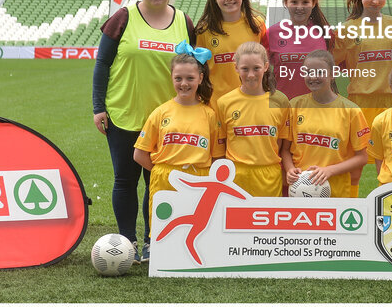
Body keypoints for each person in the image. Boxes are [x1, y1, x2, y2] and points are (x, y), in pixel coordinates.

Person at [92, 0, 195, 262]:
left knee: (157, 181)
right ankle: (127, 243)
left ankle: (154, 241)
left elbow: (194, 70)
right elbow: (102, 65)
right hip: (124, 113)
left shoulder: (184, 23)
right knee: (124, 180)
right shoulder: (123, 17)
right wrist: (99, 107)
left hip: (167, 120)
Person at [133, 47, 223, 259]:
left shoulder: (209, 114)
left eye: (190, 78)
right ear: (171, 78)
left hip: (199, 179)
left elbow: (217, 156)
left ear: (200, 78)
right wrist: (162, 172)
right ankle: (162, 256)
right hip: (165, 178)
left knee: (197, 227)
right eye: (179, 78)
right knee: (166, 225)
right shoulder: (161, 112)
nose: (184, 83)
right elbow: (139, 154)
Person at [333, 0, 392, 197]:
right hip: (359, 105)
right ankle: (351, 218)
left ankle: (385, 216)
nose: (375, 1)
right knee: (355, 167)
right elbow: (333, 65)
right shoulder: (346, 29)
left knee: (389, 167)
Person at [282, 49, 368, 198]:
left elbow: (362, 157)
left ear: (333, 74)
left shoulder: (351, 111)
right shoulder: (295, 105)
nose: (313, 77)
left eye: (320, 72)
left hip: (337, 191)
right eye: (308, 72)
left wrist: (330, 170)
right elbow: (285, 150)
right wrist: (290, 169)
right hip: (300, 190)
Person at [215, 41, 290, 197]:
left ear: (266, 66)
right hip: (235, 177)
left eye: (256, 68)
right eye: (245, 69)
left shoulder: (280, 101)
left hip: (269, 178)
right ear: (236, 67)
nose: (250, 75)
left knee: (267, 221)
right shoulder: (225, 102)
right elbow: (221, 146)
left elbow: (281, 144)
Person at [195, 0, 267, 99]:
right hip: (217, 105)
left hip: (251, 102)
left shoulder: (257, 25)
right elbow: (200, 70)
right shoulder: (204, 30)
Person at [264, 0, 332, 100]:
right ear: (285, 2)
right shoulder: (271, 33)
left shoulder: (325, 33)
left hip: (316, 107)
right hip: (282, 106)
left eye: (305, 2)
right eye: (294, 2)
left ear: (313, 3)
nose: (299, 7)